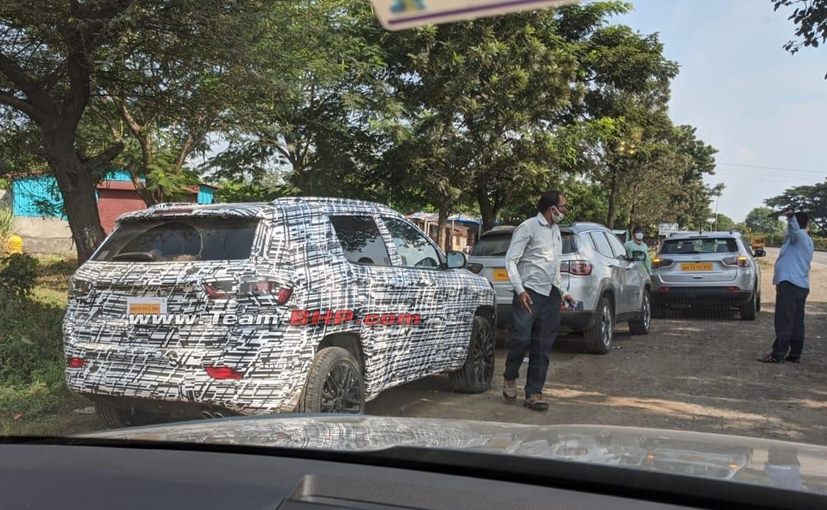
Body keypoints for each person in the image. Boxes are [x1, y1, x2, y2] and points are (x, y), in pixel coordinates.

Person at [502, 190, 575, 411]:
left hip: (550, 294)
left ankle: (534, 392)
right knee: (521, 339)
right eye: (562, 206)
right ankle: (510, 375)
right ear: (551, 208)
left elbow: (554, 267)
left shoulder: (556, 232)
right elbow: (511, 260)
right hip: (528, 293)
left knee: (543, 346)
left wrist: (563, 292)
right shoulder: (528, 227)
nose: (565, 210)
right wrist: (519, 289)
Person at [759, 210, 814, 364]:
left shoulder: (800, 237)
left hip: (790, 284)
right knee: (796, 321)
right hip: (800, 285)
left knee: (784, 320)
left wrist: (790, 217)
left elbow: (794, 230)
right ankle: (795, 354)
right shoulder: (803, 240)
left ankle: (778, 354)